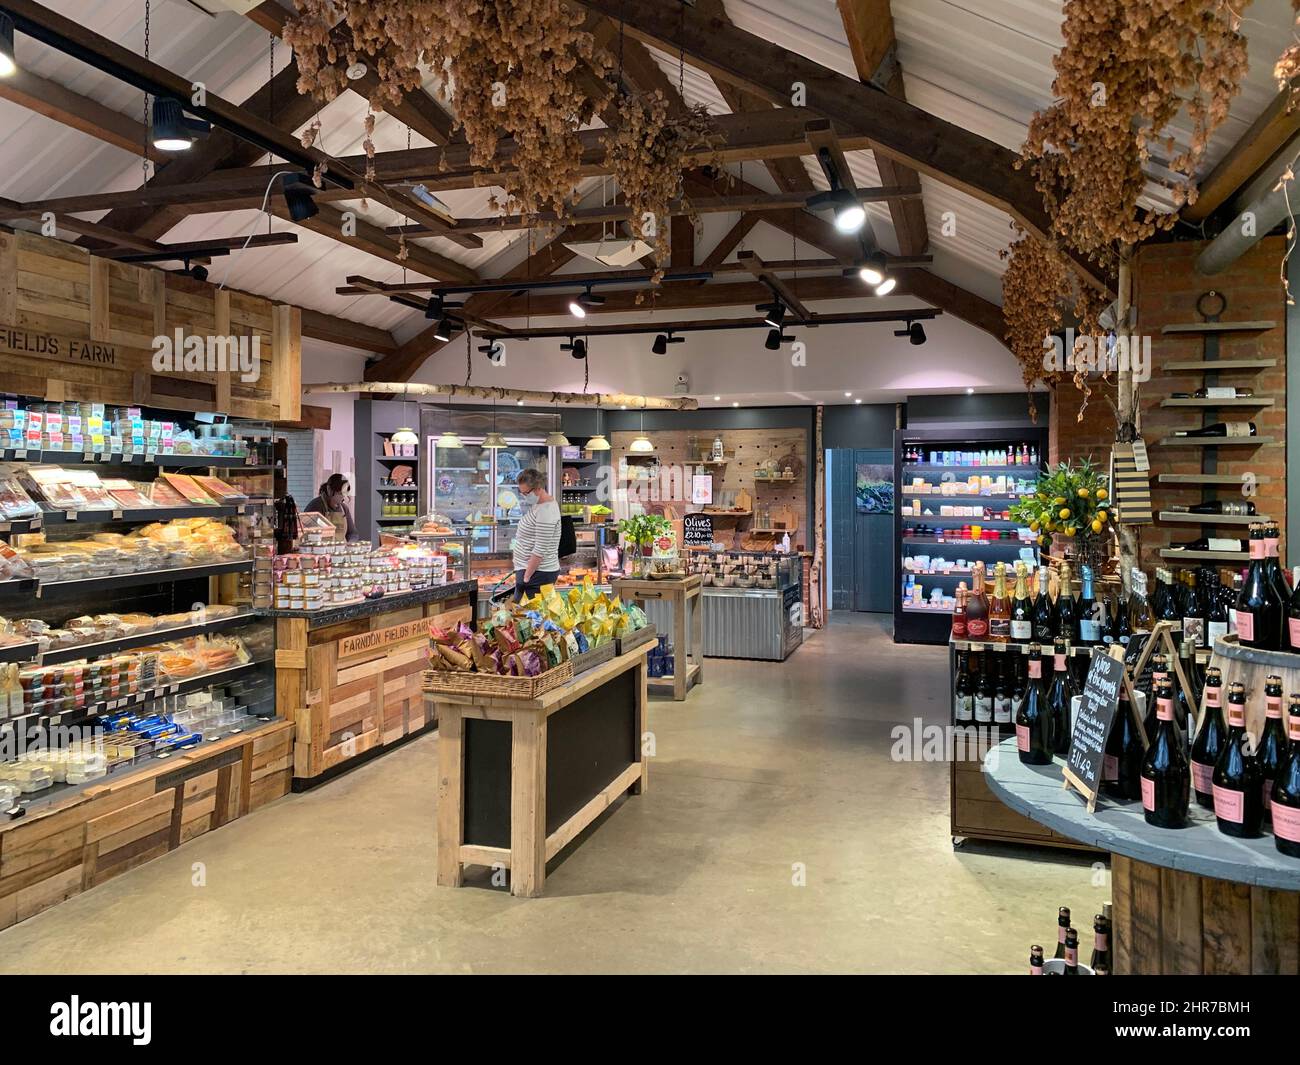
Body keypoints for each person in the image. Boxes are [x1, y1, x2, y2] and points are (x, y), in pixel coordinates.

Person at [511, 468, 562, 600]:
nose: (524, 496)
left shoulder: (546, 511)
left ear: (538, 488)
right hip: (532, 572)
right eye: (521, 493)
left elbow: (540, 549)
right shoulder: (539, 505)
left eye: (526, 493)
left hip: (538, 574)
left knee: (533, 618)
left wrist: (526, 577)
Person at [304, 473, 360, 541]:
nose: (342, 497)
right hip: (322, 549)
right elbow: (306, 533)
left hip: (341, 549)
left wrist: (350, 543)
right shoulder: (315, 506)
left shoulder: (344, 509)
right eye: (340, 493)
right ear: (329, 490)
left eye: (345, 494)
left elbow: (352, 533)